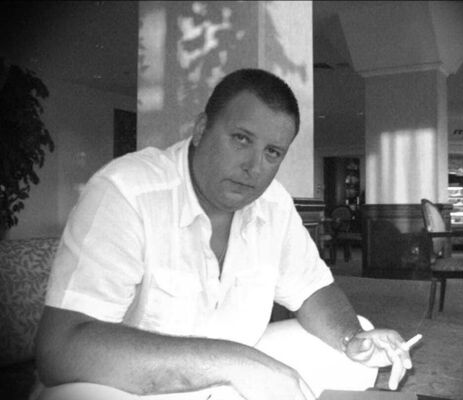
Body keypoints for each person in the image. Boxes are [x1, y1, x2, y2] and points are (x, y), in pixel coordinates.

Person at [34, 69, 413, 400]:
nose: (253, 167)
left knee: (355, 343)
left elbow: (313, 290)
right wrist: (236, 362)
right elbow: (61, 350)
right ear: (201, 129)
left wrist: (351, 338)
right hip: (133, 386)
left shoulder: (273, 203)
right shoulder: (127, 191)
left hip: (229, 377)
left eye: (272, 152)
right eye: (241, 139)